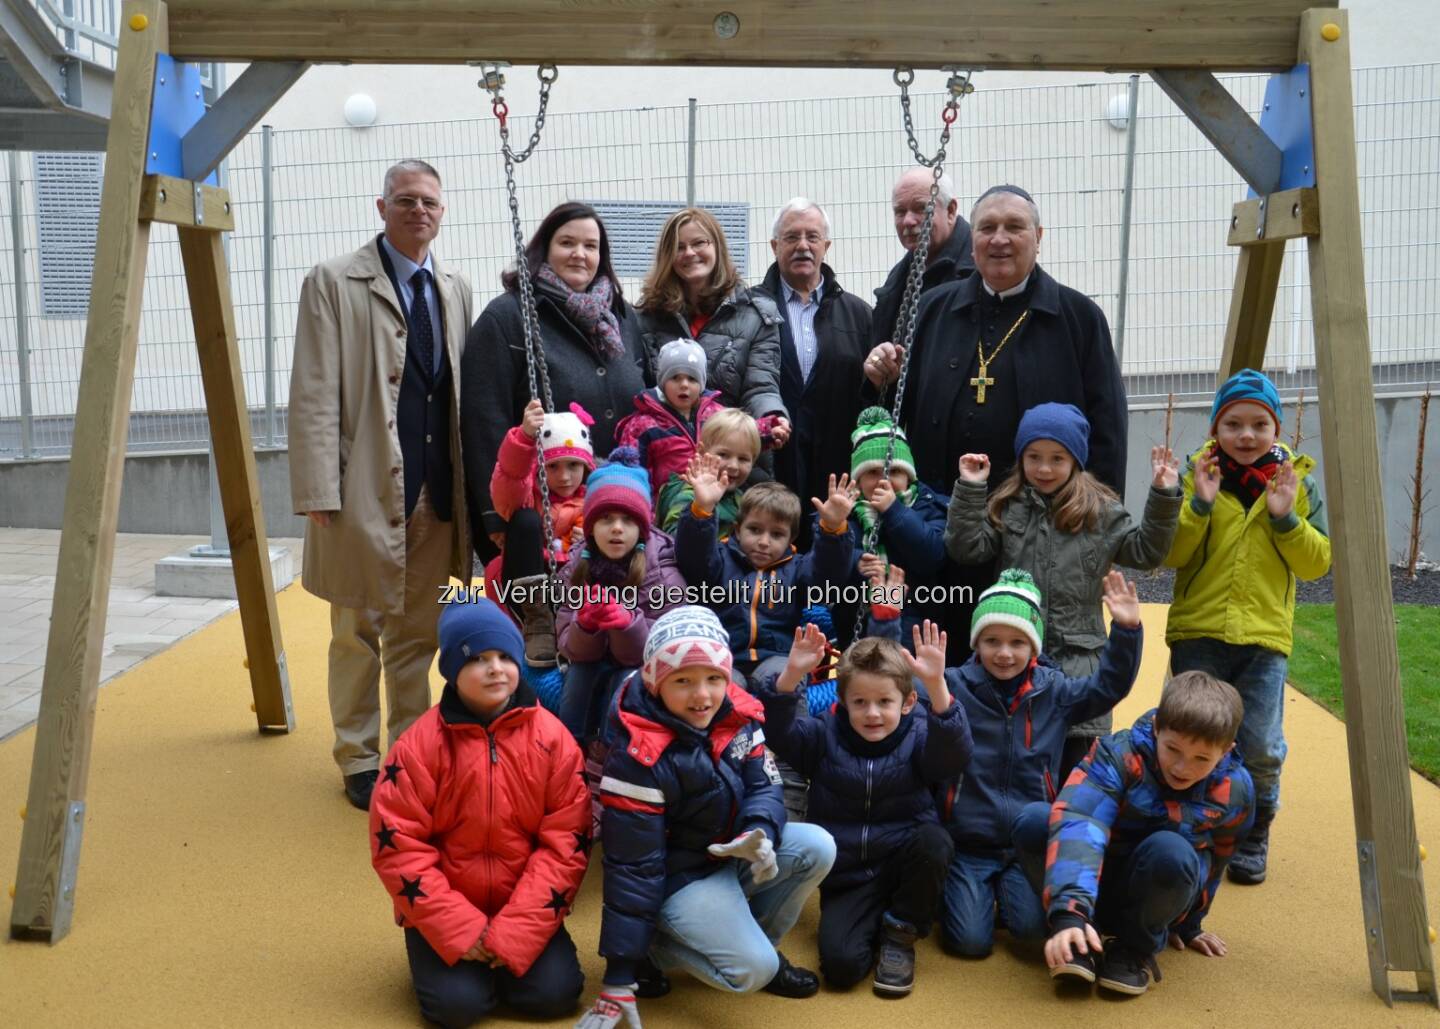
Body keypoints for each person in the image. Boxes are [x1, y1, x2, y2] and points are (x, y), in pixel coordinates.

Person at [863, 184, 1128, 661]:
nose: (999, 239)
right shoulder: (934, 308)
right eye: (987, 228)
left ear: (1039, 235)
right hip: (940, 524)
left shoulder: (1078, 317)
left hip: (1038, 529)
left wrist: (1097, 521)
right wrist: (880, 375)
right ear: (973, 239)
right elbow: (900, 409)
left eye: (1014, 227)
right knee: (938, 651)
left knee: (1022, 659)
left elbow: (1107, 427)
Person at [289, 159, 472, 811]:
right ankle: (360, 756)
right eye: (404, 200)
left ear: (442, 211)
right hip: (362, 487)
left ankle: (412, 752)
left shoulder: (455, 289)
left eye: (428, 201)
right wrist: (317, 484)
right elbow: (313, 387)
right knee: (357, 627)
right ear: (381, 206)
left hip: (436, 492)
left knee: (418, 630)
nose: (417, 210)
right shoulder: (334, 281)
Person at [577, 607, 836, 1027]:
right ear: (655, 681)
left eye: (714, 678)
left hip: (728, 852)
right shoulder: (637, 757)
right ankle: (652, 951)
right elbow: (632, 868)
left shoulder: (736, 712)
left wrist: (760, 830)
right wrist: (620, 974)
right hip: (677, 877)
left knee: (817, 846)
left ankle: (761, 945)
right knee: (750, 971)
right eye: (683, 681)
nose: (703, 696)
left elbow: (765, 784)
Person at [369, 598, 589, 1026]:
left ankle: (501, 958)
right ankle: (462, 961)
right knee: (457, 1009)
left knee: (554, 997)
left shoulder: (553, 739)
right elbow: (399, 848)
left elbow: (566, 844)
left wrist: (515, 933)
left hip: (523, 903)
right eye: (478, 658)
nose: (496, 668)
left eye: (506, 656)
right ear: (452, 669)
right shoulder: (418, 747)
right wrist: (463, 932)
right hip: (446, 905)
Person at [946, 402, 1181, 780]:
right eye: (1034, 457)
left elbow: (1146, 551)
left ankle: (1071, 835)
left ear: (1075, 460)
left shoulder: (1100, 510)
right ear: (1021, 458)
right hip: (1020, 662)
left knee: (1077, 769)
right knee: (1022, 765)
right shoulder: (1009, 506)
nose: (1044, 468)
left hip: (1079, 660)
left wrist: (1163, 497)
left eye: (1057, 458)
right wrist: (971, 489)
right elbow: (966, 547)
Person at [1164, 369, 1331, 885]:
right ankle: (1190, 822)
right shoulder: (1197, 475)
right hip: (1201, 630)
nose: (1246, 435)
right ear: (1217, 428)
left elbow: (1316, 563)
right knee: (1193, 732)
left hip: (1262, 637)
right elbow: (1171, 552)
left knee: (1258, 741)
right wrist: (1198, 505)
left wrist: (1285, 519)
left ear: (1276, 428)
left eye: (1259, 423)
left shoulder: (1295, 483)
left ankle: (1253, 829)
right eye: (1233, 423)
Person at [757, 622, 971, 997]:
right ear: (843, 702)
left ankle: (900, 933)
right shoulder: (824, 734)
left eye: (884, 702)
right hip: (849, 875)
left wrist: (937, 688)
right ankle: (878, 919)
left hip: (905, 859)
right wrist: (792, 674)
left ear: (906, 703)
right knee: (841, 969)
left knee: (934, 840)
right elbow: (780, 734)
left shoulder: (921, 732)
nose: (872, 713)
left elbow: (953, 756)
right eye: (860, 702)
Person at [937, 568, 1142, 959]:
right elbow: (896, 686)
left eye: (1018, 642)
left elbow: (1108, 687)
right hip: (970, 842)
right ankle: (964, 895)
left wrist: (1127, 630)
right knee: (969, 944)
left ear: (1034, 647)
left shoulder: (1055, 691)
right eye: (992, 640)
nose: (1004, 653)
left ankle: (1005, 895)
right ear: (976, 643)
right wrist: (888, 614)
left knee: (1032, 935)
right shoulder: (954, 686)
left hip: (1024, 845)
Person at [1021, 671, 1255, 997]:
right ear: (1158, 727)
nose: (1182, 768)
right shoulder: (1118, 754)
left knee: (1171, 849)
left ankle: (1133, 950)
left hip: (1155, 882)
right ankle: (1080, 933)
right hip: (1099, 878)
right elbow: (1082, 819)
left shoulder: (1236, 789)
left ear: (1226, 751)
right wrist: (1069, 913)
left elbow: (1219, 856)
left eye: (1202, 758)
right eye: (1173, 749)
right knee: (1034, 821)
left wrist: (1189, 925)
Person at [463, 201, 648, 564]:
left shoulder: (624, 319)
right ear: (544, 248)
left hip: (616, 511)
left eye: (591, 246)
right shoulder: (509, 317)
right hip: (541, 519)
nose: (579, 254)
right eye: (567, 243)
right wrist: (493, 515)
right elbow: (483, 418)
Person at [554, 449, 686, 745]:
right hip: (592, 660)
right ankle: (570, 748)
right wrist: (585, 626)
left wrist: (627, 624)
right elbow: (567, 642)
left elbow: (664, 644)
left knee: (624, 681)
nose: (616, 528)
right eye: (605, 519)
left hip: (640, 662)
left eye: (627, 519)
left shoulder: (661, 569)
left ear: (641, 527)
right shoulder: (577, 566)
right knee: (578, 676)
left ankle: (613, 753)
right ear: (589, 528)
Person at [674, 474, 856, 683]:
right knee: (725, 684)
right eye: (754, 530)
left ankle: (795, 717)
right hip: (721, 653)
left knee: (783, 680)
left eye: (777, 534)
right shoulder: (720, 560)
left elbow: (827, 578)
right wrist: (702, 510)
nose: (763, 542)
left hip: (776, 656)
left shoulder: (797, 569)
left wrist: (833, 530)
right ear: (738, 529)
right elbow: (692, 556)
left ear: (791, 539)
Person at [635, 207, 792, 444]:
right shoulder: (645, 317)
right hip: (667, 459)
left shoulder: (755, 317)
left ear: (716, 247)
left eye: (699, 243)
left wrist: (771, 417)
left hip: (733, 456)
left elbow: (760, 388)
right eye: (679, 247)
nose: (689, 253)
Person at [755, 198, 874, 509]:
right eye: (792, 237)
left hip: (837, 470)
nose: (803, 246)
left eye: (813, 237)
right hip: (769, 467)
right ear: (774, 246)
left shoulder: (859, 315)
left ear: (827, 246)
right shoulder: (751, 308)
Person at [484, 399, 594, 666]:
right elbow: (509, 478)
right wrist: (522, 439)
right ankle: (537, 621)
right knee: (524, 520)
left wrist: (590, 539)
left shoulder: (594, 499)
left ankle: (578, 630)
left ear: (586, 467)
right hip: (531, 579)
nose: (564, 476)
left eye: (573, 466)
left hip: (572, 583)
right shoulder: (526, 496)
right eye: (553, 467)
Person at [829, 406, 948, 646]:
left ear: (909, 476)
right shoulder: (846, 510)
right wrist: (856, 560)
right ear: (858, 480)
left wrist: (894, 511)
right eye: (872, 472)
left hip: (912, 623)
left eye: (894, 471)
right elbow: (826, 565)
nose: (884, 479)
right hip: (855, 621)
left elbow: (932, 555)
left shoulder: (927, 507)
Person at [615, 337, 780, 501]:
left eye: (692, 379)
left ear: (701, 383)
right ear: (662, 382)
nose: (684, 385)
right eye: (675, 378)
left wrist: (769, 430)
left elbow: (741, 433)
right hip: (668, 508)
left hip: (716, 499)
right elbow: (633, 473)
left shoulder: (715, 413)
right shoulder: (643, 425)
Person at [870, 169, 974, 351]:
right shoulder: (898, 277)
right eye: (900, 212)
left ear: (950, 211)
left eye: (921, 209)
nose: (908, 221)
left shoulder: (979, 270)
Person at [655, 409, 764, 536]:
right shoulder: (688, 495)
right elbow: (675, 541)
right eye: (723, 455)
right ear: (701, 452)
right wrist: (702, 508)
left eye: (743, 459)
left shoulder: (742, 499)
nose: (734, 466)